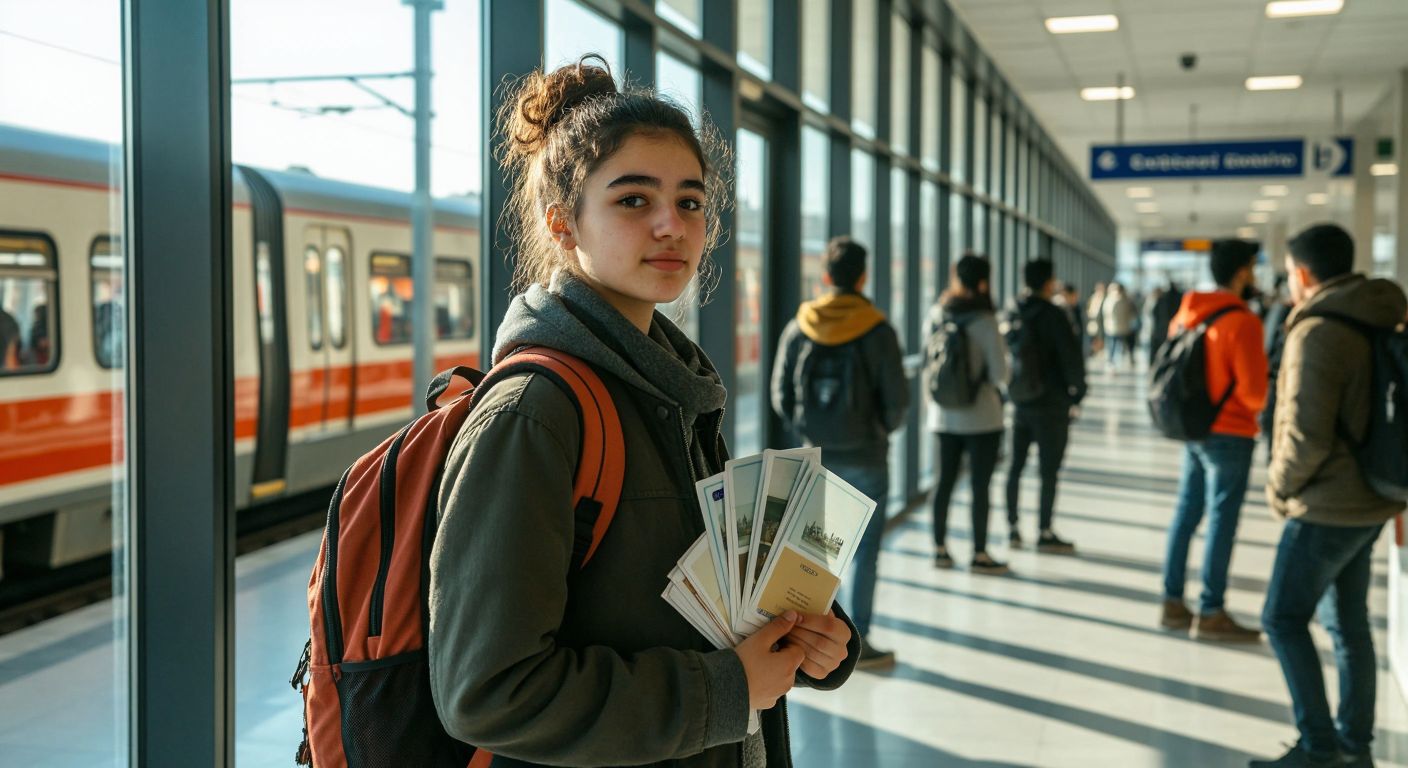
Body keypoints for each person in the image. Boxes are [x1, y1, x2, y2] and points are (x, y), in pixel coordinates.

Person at [430, 56, 857, 768]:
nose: (671, 225)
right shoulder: (533, 413)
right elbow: (487, 691)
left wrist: (818, 639)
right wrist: (724, 689)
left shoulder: (674, 391)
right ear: (563, 224)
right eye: (634, 200)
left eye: (691, 202)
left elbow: (703, 606)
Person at [1253, 224, 1408, 768]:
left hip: (1327, 502)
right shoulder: (1381, 313)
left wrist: (1278, 488)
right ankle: (1354, 747)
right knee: (1348, 621)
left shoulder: (1317, 329)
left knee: (1281, 618)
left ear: (1302, 274)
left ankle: (1319, 748)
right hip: (1374, 495)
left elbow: (1304, 433)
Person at [771, 235, 908, 670]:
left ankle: (806, 642)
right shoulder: (878, 330)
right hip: (867, 455)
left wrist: (806, 430)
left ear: (827, 276)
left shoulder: (801, 325)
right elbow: (898, 402)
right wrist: (880, 429)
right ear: (863, 277)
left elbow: (780, 393)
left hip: (817, 456)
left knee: (814, 552)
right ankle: (858, 643)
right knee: (865, 550)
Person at [1159, 239, 1268, 642]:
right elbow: (1254, 394)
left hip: (1195, 428)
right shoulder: (1243, 322)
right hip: (1232, 433)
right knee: (1222, 521)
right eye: (1253, 268)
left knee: (1186, 512)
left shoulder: (1187, 315)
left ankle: (1171, 602)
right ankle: (1211, 609)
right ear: (1241, 272)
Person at [928, 253, 1011, 575]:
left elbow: (927, 361)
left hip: (942, 417)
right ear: (983, 282)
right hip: (982, 418)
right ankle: (978, 553)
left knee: (942, 484)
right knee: (980, 486)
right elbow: (999, 375)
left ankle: (939, 550)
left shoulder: (937, 313)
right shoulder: (986, 320)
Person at [1004, 258, 1086, 553]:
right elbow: (1072, 359)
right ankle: (1044, 530)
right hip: (1052, 405)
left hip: (1020, 403)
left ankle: (1012, 528)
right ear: (1049, 282)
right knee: (1048, 471)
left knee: (1015, 466)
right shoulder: (1055, 315)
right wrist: (1078, 394)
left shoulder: (1012, 311)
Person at [1147, 278, 1184, 363]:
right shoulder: (1179, 297)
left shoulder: (1160, 299)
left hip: (1158, 329)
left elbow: (1152, 314)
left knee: (1156, 350)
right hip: (1171, 328)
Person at [1102, 282, 1137, 368]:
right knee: (1125, 344)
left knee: (1112, 346)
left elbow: (1105, 314)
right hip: (1124, 327)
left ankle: (1111, 362)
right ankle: (1129, 358)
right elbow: (1132, 313)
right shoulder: (1127, 300)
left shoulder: (1108, 300)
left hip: (1111, 328)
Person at [1085, 282, 1107, 358]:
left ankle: (1099, 351)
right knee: (1093, 338)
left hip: (1102, 322)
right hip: (1093, 322)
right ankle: (1094, 351)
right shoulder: (1092, 298)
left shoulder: (1105, 299)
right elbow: (1088, 308)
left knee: (1101, 338)